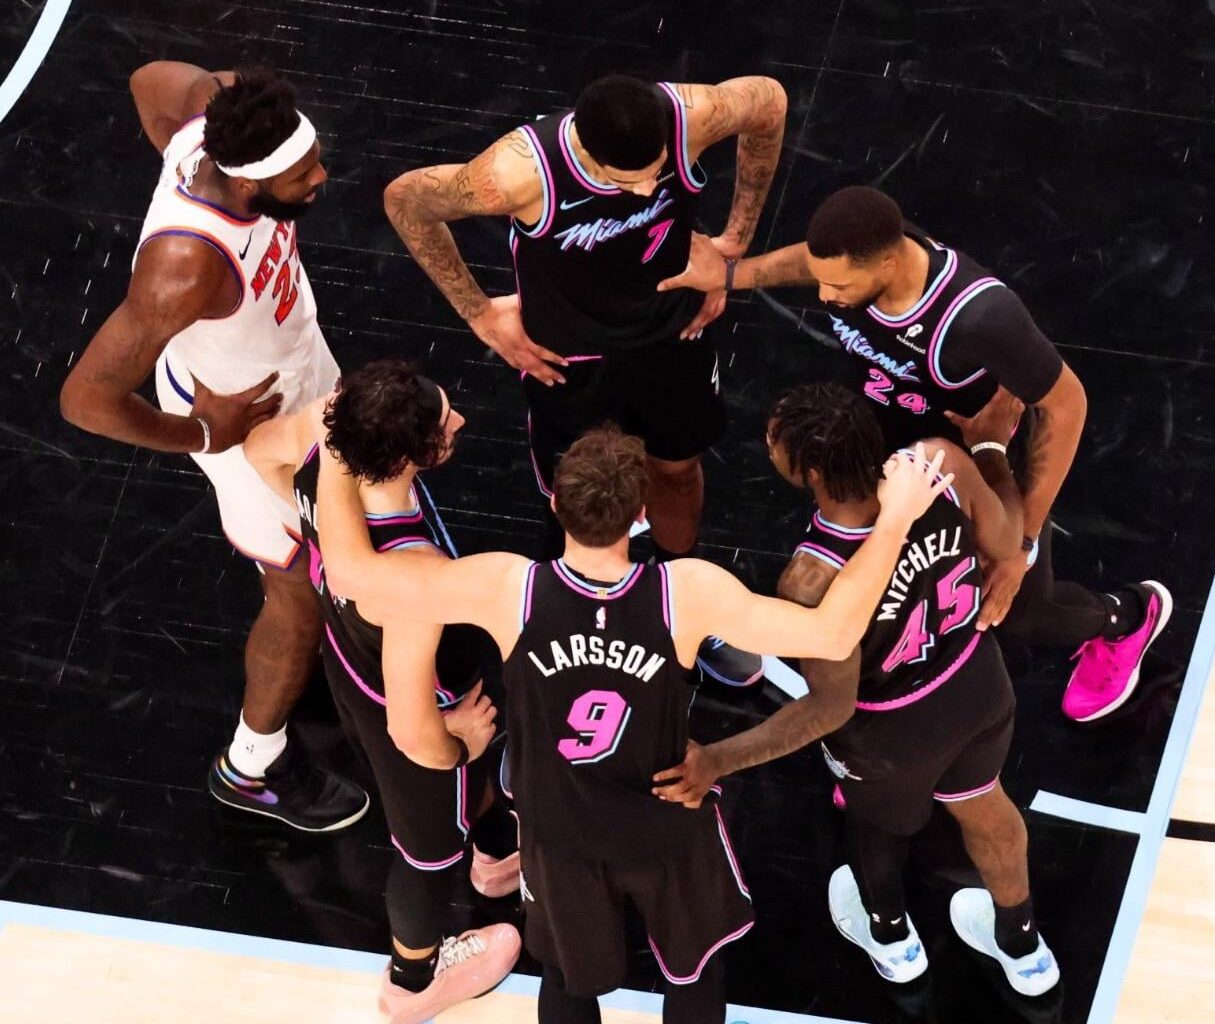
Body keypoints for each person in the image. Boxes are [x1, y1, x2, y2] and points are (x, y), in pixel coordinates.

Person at [314, 423, 953, 1024]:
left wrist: (337, 442)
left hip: (559, 829)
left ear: (556, 504)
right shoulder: (686, 593)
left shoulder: (506, 586)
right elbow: (833, 632)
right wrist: (896, 518)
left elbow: (349, 573)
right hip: (664, 823)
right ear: (641, 512)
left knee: (567, 979)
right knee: (694, 974)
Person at [658, 185, 1171, 722]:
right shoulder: (863, 258)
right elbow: (813, 263)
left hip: (977, 462)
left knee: (1016, 608)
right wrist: (732, 275)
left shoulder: (980, 317)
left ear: (887, 261)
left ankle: (1128, 617)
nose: (825, 295)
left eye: (839, 285)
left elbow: (1067, 406)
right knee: (891, 579)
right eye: (824, 279)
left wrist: (1019, 545)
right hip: (901, 449)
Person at [382, 72, 789, 686]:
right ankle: (568, 616)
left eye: (657, 172)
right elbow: (407, 199)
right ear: (588, 153)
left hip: (671, 331)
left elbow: (770, 102)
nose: (648, 188)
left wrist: (734, 243)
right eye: (629, 181)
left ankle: (687, 598)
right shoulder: (518, 172)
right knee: (575, 497)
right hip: (568, 356)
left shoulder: (694, 114)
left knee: (678, 471)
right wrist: (479, 315)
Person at [655, 382, 1060, 997]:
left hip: (891, 730)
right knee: (988, 806)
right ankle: (1024, 947)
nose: (767, 440)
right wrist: (990, 450)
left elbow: (831, 706)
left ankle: (892, 940)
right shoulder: (938, 462)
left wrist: (717, 759)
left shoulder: (810, 577)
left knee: (876, 828)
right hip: (975, 684)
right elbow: (1006, 543)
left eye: (774, 438)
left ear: (811, 471)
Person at [59, 63, 365, 829]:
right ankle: (253, 766)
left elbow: (147, 78)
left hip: (297, 375)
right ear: (251, 183)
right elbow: (85, 400)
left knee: (345, 521)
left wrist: (170, 152)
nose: (321, 178)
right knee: (295, 595)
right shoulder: (183, 268)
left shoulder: (213, 115)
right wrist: (205, 432)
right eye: (304, 174)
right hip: (245, 430)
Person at [243, 360, 522, 1023]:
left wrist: (306, 525)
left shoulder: (322, 436)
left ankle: (496, 855)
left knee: (472, 788)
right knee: (427, 855)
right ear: (406, 457)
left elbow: (256, 451)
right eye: (446, 423)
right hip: (414, 709)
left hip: (352, 664)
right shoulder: (411, 574)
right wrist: (455, 744)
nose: (461, 420)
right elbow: (410, 732)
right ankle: (412, 981)